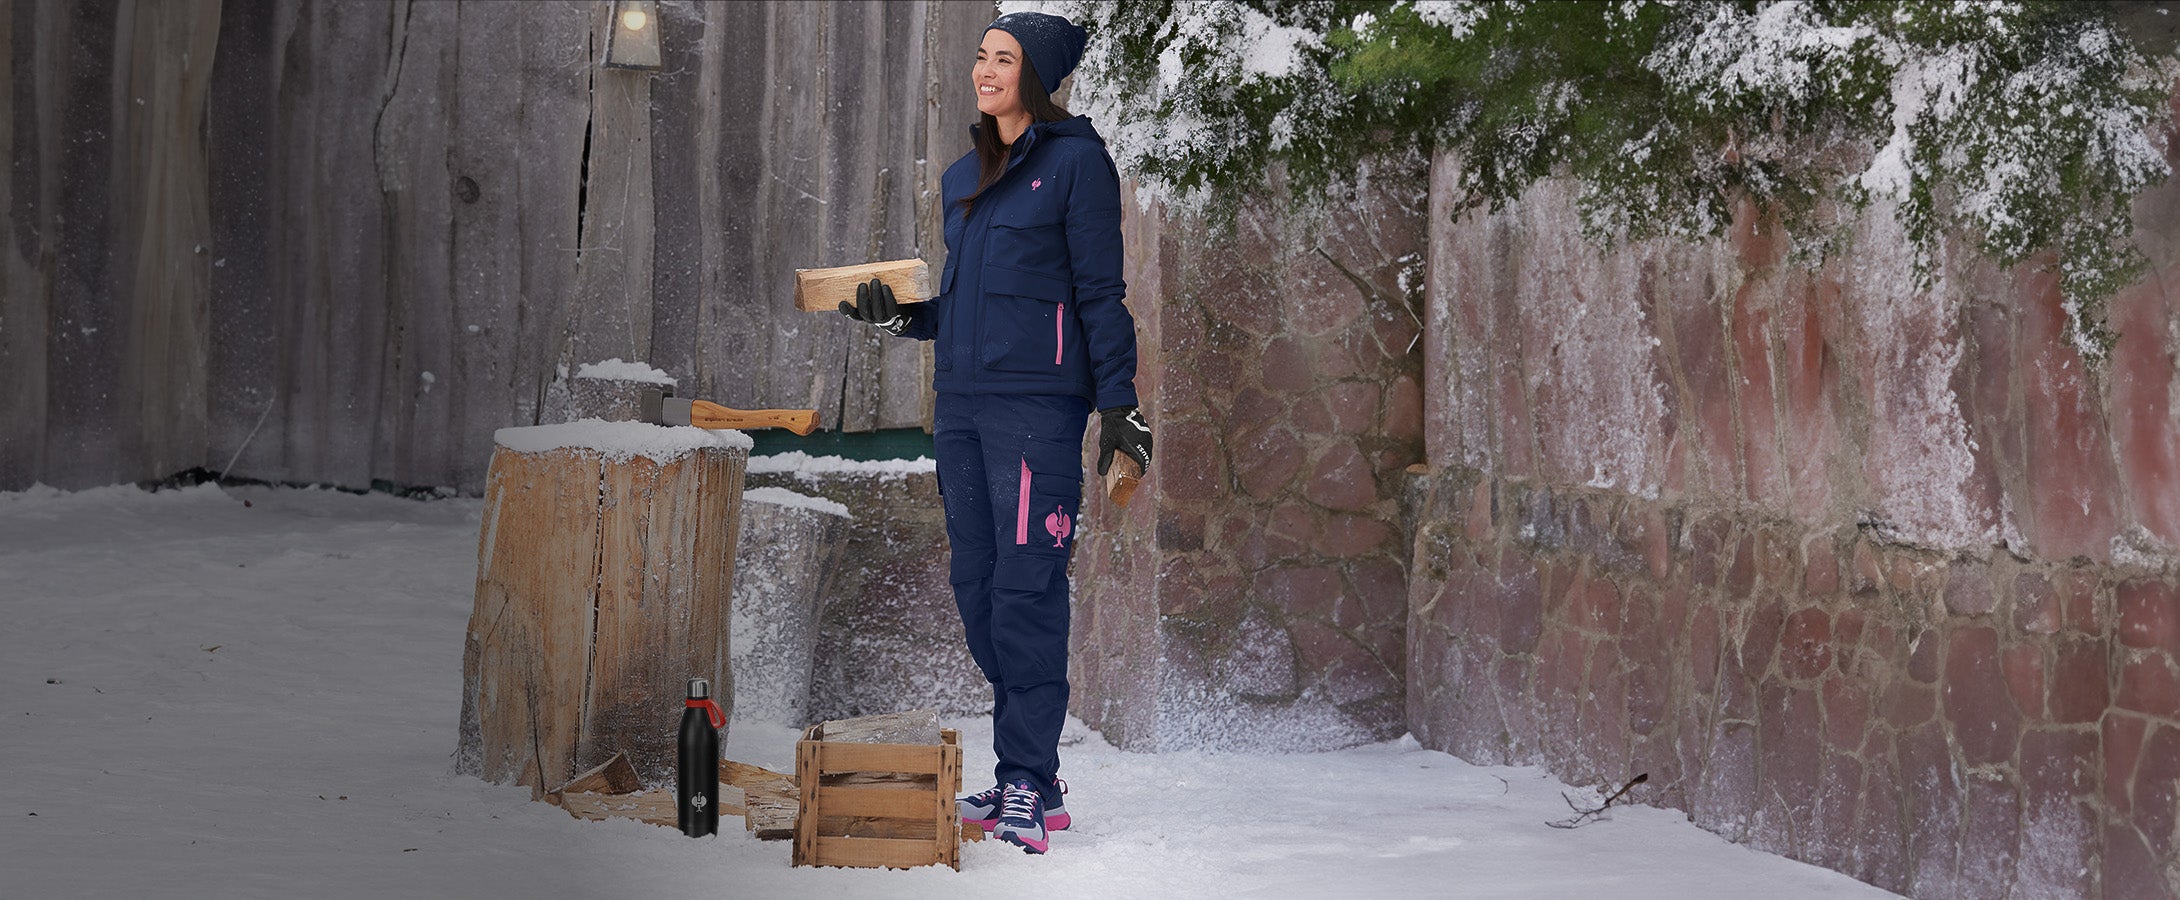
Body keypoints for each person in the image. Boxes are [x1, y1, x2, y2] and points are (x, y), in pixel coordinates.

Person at [838, 10, 1151, 856]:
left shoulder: (1079, 166)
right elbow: (967, 308)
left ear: (1038, 78)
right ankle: (1036, 784)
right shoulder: (963, 176)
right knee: (977, 590)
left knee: (1026, 594)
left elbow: (1099, 294)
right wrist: (899, 317)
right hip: (965, 405)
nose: (986, 71)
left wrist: (1119, 406)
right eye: (982, 56)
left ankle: (1023, 779)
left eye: (1004, 60)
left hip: (1038, 411)